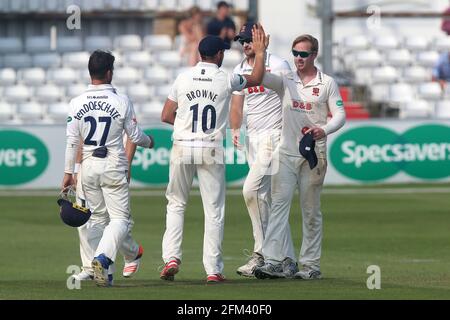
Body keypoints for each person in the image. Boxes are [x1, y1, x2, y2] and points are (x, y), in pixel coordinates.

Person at [159, 24, 269, 283]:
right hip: (210, 148)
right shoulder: (226, 78)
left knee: (176, 204)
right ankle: (213, 270)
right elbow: (256, 79)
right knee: (214, 210)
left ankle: (172, 258)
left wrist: (187, 127)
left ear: (199, 55)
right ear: (218, 55)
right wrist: (261, 53)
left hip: (183, 145)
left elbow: (165, 115)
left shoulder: (183, 77)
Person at [253, 34, 346, 280]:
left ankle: (310, 265)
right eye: (295, 53)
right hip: (286, 152)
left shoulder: (327, 83)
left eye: (303, 54)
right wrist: (260, 53)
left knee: (310, 209)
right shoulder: (286, 79)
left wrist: (322, 130)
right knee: (279, 205)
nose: (298, 58)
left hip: (314, 154)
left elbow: (339, 115)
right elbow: (259, 77)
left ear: (314, 55)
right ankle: (273, 261)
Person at [61, 50, 154, 287]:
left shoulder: (76, 102)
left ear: (90, 72)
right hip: (113, 164)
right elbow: (134, 135)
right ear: (110, 72)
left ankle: (105, 271)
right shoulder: (121, 101)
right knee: (120, 219)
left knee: (96, 219)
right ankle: (101, 260)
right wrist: (149, 142)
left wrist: (68, 173)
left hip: (88, 166)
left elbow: (72, 142)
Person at [230, 22, 297, 278]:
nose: (245, 44)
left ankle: (261, 253)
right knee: (266, 200)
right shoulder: (239, 68)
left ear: (262, 39)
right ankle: (287, 260)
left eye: (250, 39)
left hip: (275, 136)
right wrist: (235, 129)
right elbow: (237, 105)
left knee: (251, 190)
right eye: (242, 40)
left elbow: (290, 101)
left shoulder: (278, 64)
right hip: (253, 138)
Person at [72, 136, 144, 282]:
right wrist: (76, 168)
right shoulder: (82, 112)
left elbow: (132, 135)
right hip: (88, 167)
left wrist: (127, 164)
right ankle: (91, 268)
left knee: (114, 220)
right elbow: (80, 137)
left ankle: (131, 253)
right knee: (86, 220)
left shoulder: (121, 111)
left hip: (114, 165)